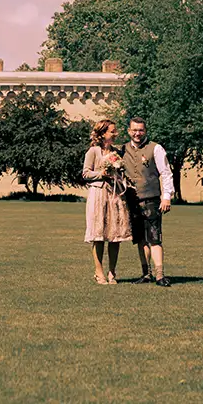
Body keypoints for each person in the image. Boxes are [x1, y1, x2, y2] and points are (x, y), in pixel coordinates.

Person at [121, 117, 175, 287]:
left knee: (154, 238)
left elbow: (166, 173)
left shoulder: (156, 148)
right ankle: (146, 274)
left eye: (141, 130)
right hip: (132, 200)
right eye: (134, 130)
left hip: (151, 199)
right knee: (140, 239)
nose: (137, 133)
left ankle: (160, 275)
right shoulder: (122, 150)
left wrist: (166, 196)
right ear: (129, 131)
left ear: (145, 131)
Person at [82, 119, 132, 284]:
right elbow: (85, 174)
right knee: (98, 234)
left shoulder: (117, 152)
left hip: (114, 194)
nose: (115, 133)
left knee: (114, 234)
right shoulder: (93, 151)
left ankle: (112, 272)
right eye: (112, 131)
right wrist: (101, 173)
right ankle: (99, 271)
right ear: (103, 134)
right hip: (98, 194)